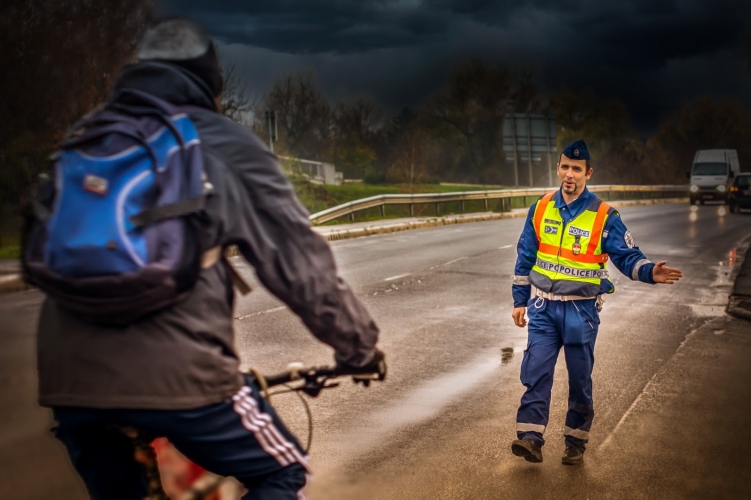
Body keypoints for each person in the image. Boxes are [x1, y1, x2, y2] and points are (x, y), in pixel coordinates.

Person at [35, 18, 384, 499]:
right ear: (211, 88)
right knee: (282, 473)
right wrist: (358, 349)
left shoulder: (89, 135)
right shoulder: (222, 142)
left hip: (70, 380)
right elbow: (300, 267)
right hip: (181, 377)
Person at [509, 139, 682, 465]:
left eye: (576, 169)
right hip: (543, 308)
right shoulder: (541, 207)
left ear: (588, 173)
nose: (569, 174)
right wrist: (520, 301)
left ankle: (575, 441)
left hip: (581, 310)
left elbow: (627, 256)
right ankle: (530, 438)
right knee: (536, 372)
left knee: (579, 380)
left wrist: (649, 272)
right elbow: (525, 257)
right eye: (565, 167)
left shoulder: (604, 216)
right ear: (558, 168)